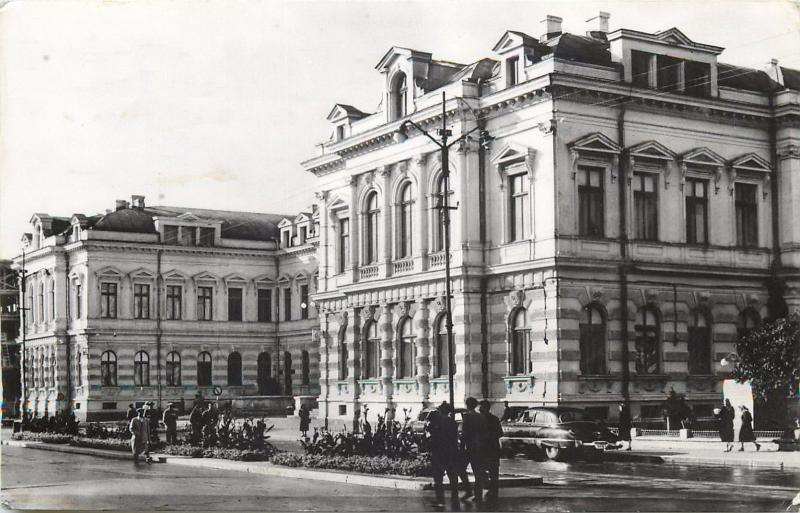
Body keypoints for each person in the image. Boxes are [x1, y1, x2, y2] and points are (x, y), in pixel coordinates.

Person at [425, 403, 460, 506]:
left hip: (439, 451)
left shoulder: (437, 422)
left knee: (438, 477)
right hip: (452, 451)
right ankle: (455, 498)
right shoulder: (453, 422)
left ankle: (440, 499)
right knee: (453, 476)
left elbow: (432, 437)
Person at [461, 396, 487, 502]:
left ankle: (468, 490)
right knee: (478, 471)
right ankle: (478, 494)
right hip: (479, 446)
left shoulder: (467, 416)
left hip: (469, 447)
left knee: (460, 469)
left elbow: (465, 433)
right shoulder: (481, 417)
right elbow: (484, 432)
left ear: (467, 405)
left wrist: (461, 446)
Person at [479, 400, 502, 500]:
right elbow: (500, 433)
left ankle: (488, 489)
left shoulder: (480, 420)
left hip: (484, 449)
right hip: (493, 448)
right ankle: (493, 491)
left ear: (485, 408)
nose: (479, 409)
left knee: (482, 470)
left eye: (481, 407)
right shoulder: (495, 419)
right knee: (493, 472)